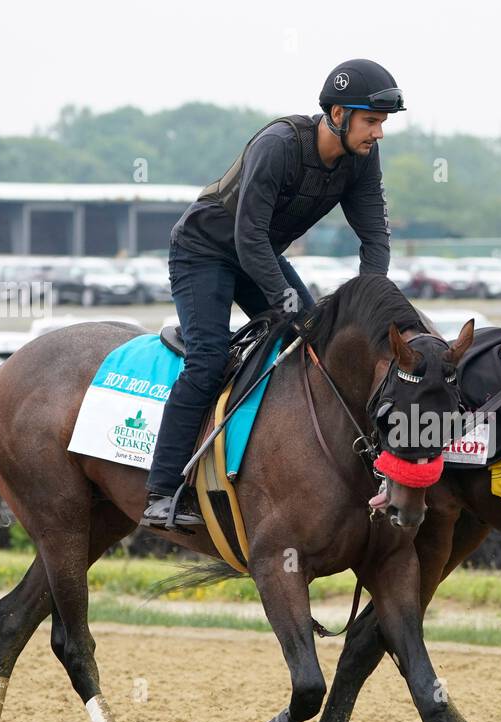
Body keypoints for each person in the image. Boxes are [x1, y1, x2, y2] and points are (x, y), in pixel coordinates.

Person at [142, 59, 405, 529]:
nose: (378, 133)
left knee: (316, 346)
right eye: (371, 121)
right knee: (207, 359)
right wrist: (289, 304)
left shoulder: (362, 158)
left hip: (256, 254)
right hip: (205, 251)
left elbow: (374, 239)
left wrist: (373, 305)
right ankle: (162, 490)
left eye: (382, 123)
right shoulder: (278, 145)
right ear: (339, 114)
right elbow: (249, 237)